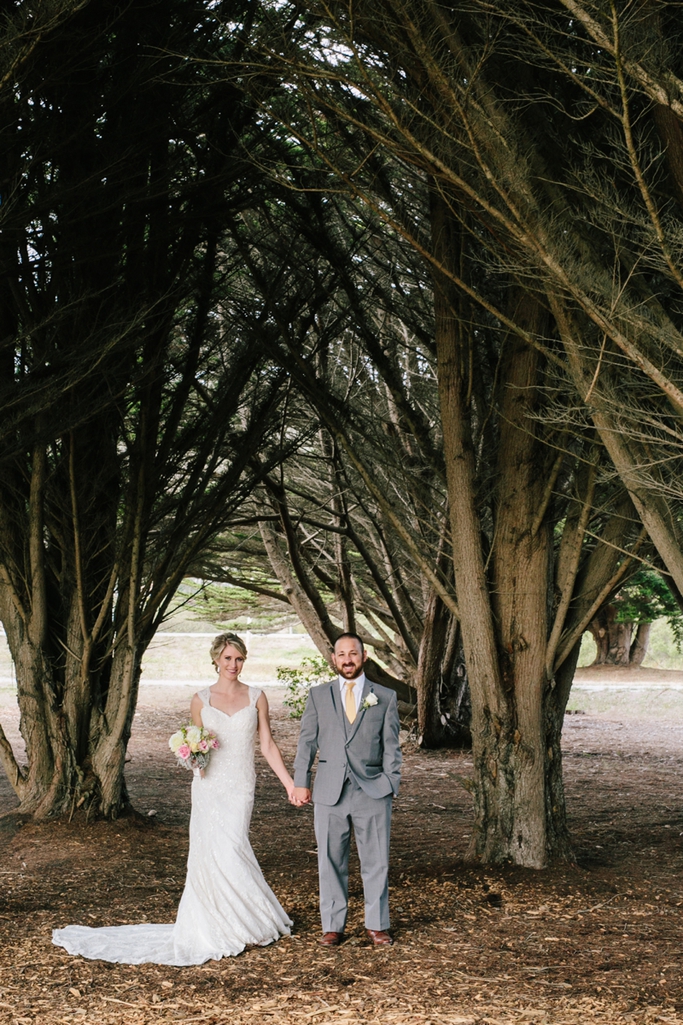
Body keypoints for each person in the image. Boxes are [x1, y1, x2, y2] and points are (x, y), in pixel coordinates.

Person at [52, 632, 294, 965]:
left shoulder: (256, 697)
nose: (233, 665)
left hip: (240, 786)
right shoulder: (201, 700)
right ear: (215, 660)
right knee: (211, 853)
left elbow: (267, 745)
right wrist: (192, 756)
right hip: (208, 787)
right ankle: (218, 922)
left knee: (234, 847)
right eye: (227, 658)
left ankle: (246, 919)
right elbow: (198, 745)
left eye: (239, 659)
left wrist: (289, 784)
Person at [291, 633, 402, 947]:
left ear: (364, 656)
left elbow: (392, 747)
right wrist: (301, 781)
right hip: (329, 790)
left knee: (376, 860)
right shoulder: (318, 696)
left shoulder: (384, 696)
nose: (347, 659)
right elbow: (306, 742)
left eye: (353, 653)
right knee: (330, 859)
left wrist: (391, 782)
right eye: (341, 654)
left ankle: (377, 924)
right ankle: (333, 925)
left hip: (373, 790)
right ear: (334, 659)